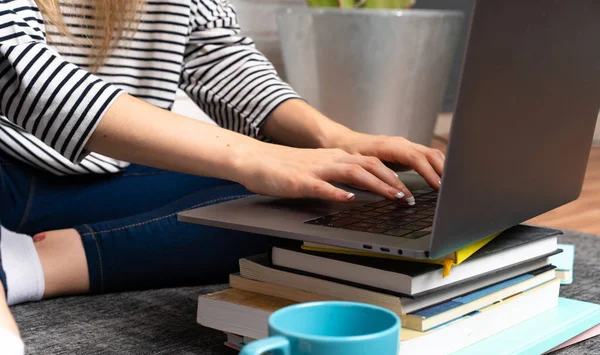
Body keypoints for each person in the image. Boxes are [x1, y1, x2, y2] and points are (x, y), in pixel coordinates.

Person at [0, 0, 444, 312]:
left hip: (98, 174)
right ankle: (32, 261)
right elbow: (15, 66)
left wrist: (336, 139)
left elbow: (216, 55)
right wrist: (252, 156)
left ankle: (32, 260)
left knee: (332, 198)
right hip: (8, 168)